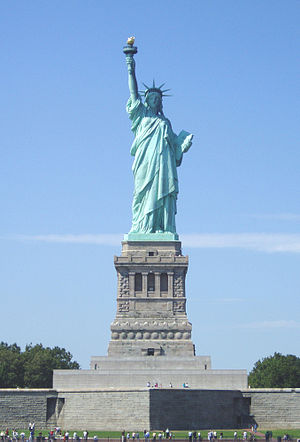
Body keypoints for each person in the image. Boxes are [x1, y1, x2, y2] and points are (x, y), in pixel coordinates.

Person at [125, 47, 193, 235]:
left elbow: (175, 147)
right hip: (145, 164)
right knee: (142, 193)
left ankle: (162, 228)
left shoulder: (165, 122)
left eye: (157, 97)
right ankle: (142, 228)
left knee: (162, 193)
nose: (154, 100)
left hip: (163, 165)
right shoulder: (141, 116)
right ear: (147, 100)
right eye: (151, 97)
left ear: (160, 102)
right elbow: (133, 93)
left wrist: (183, 145)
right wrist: (131, 68)